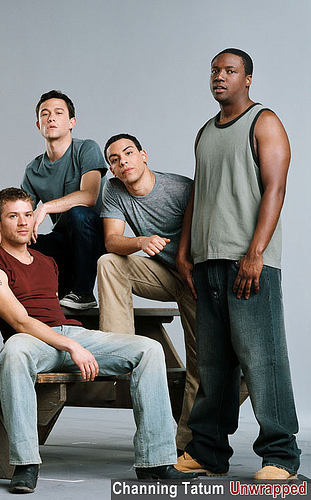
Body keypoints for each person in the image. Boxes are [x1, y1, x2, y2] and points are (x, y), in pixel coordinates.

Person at [0, 187, 198, 494]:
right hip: (31, 342)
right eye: (13, 216)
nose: (23, 222)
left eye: (27, 214)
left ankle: (155, 461)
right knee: (12, 352)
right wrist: (71, 346)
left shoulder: (47, 262)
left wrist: (72, 340)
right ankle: (26, 463)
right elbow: (20, 321)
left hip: (70, 333)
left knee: (149, 349)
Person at [175, 49, 301, 480]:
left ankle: (281, 456)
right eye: (215, 70)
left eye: (230, 71)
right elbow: (199, 193)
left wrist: (256, 253)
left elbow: (275, 188)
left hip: (249, 263)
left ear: (248, 79)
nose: (220, 76)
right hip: (207, 261)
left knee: (263, 361)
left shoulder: (264, 122)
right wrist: (184, 251)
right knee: (213, 366)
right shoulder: (205, 132)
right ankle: (207, 452)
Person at [97, 133, 198, 452]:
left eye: (128, 153)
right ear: (112, 169)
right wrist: (141, 241)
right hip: (163, 275)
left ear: (144, 155)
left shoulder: (180, 188)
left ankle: (185, 444)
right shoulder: (113, 189)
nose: (123, 161)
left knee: (200, 363)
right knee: (109, 262)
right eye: (114, 159)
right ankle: (118, 351)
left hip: (195, 278)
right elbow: (112, 241)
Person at [18, 90, 107, 309]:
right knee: (16, 243)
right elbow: (20, 214)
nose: (51, 118)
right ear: (38, 125)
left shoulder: (86, 148)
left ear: (71, 122)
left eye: (58, 113)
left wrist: (45, 208)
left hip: (96, 237)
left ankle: (84, 293)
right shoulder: (33, 169)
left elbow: (89, 196)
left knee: (78, 213)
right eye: (45, 114)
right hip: (63, 241)